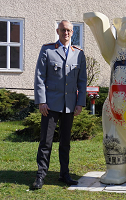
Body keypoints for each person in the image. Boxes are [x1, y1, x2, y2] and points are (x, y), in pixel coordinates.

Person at [33, 20, 87, 189]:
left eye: (69, 31)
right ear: (57, 31)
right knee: (46, 142)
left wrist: (80, 103)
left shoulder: (78, 53)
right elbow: (40, 77)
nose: (66, 33)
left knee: (65, 142)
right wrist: (41, 101)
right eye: (63, 30)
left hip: (69, 105)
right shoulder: (48, 50)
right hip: (50, 105)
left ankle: (64, 174)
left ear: (72, 33)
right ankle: (41, 175)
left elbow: (82, 82)